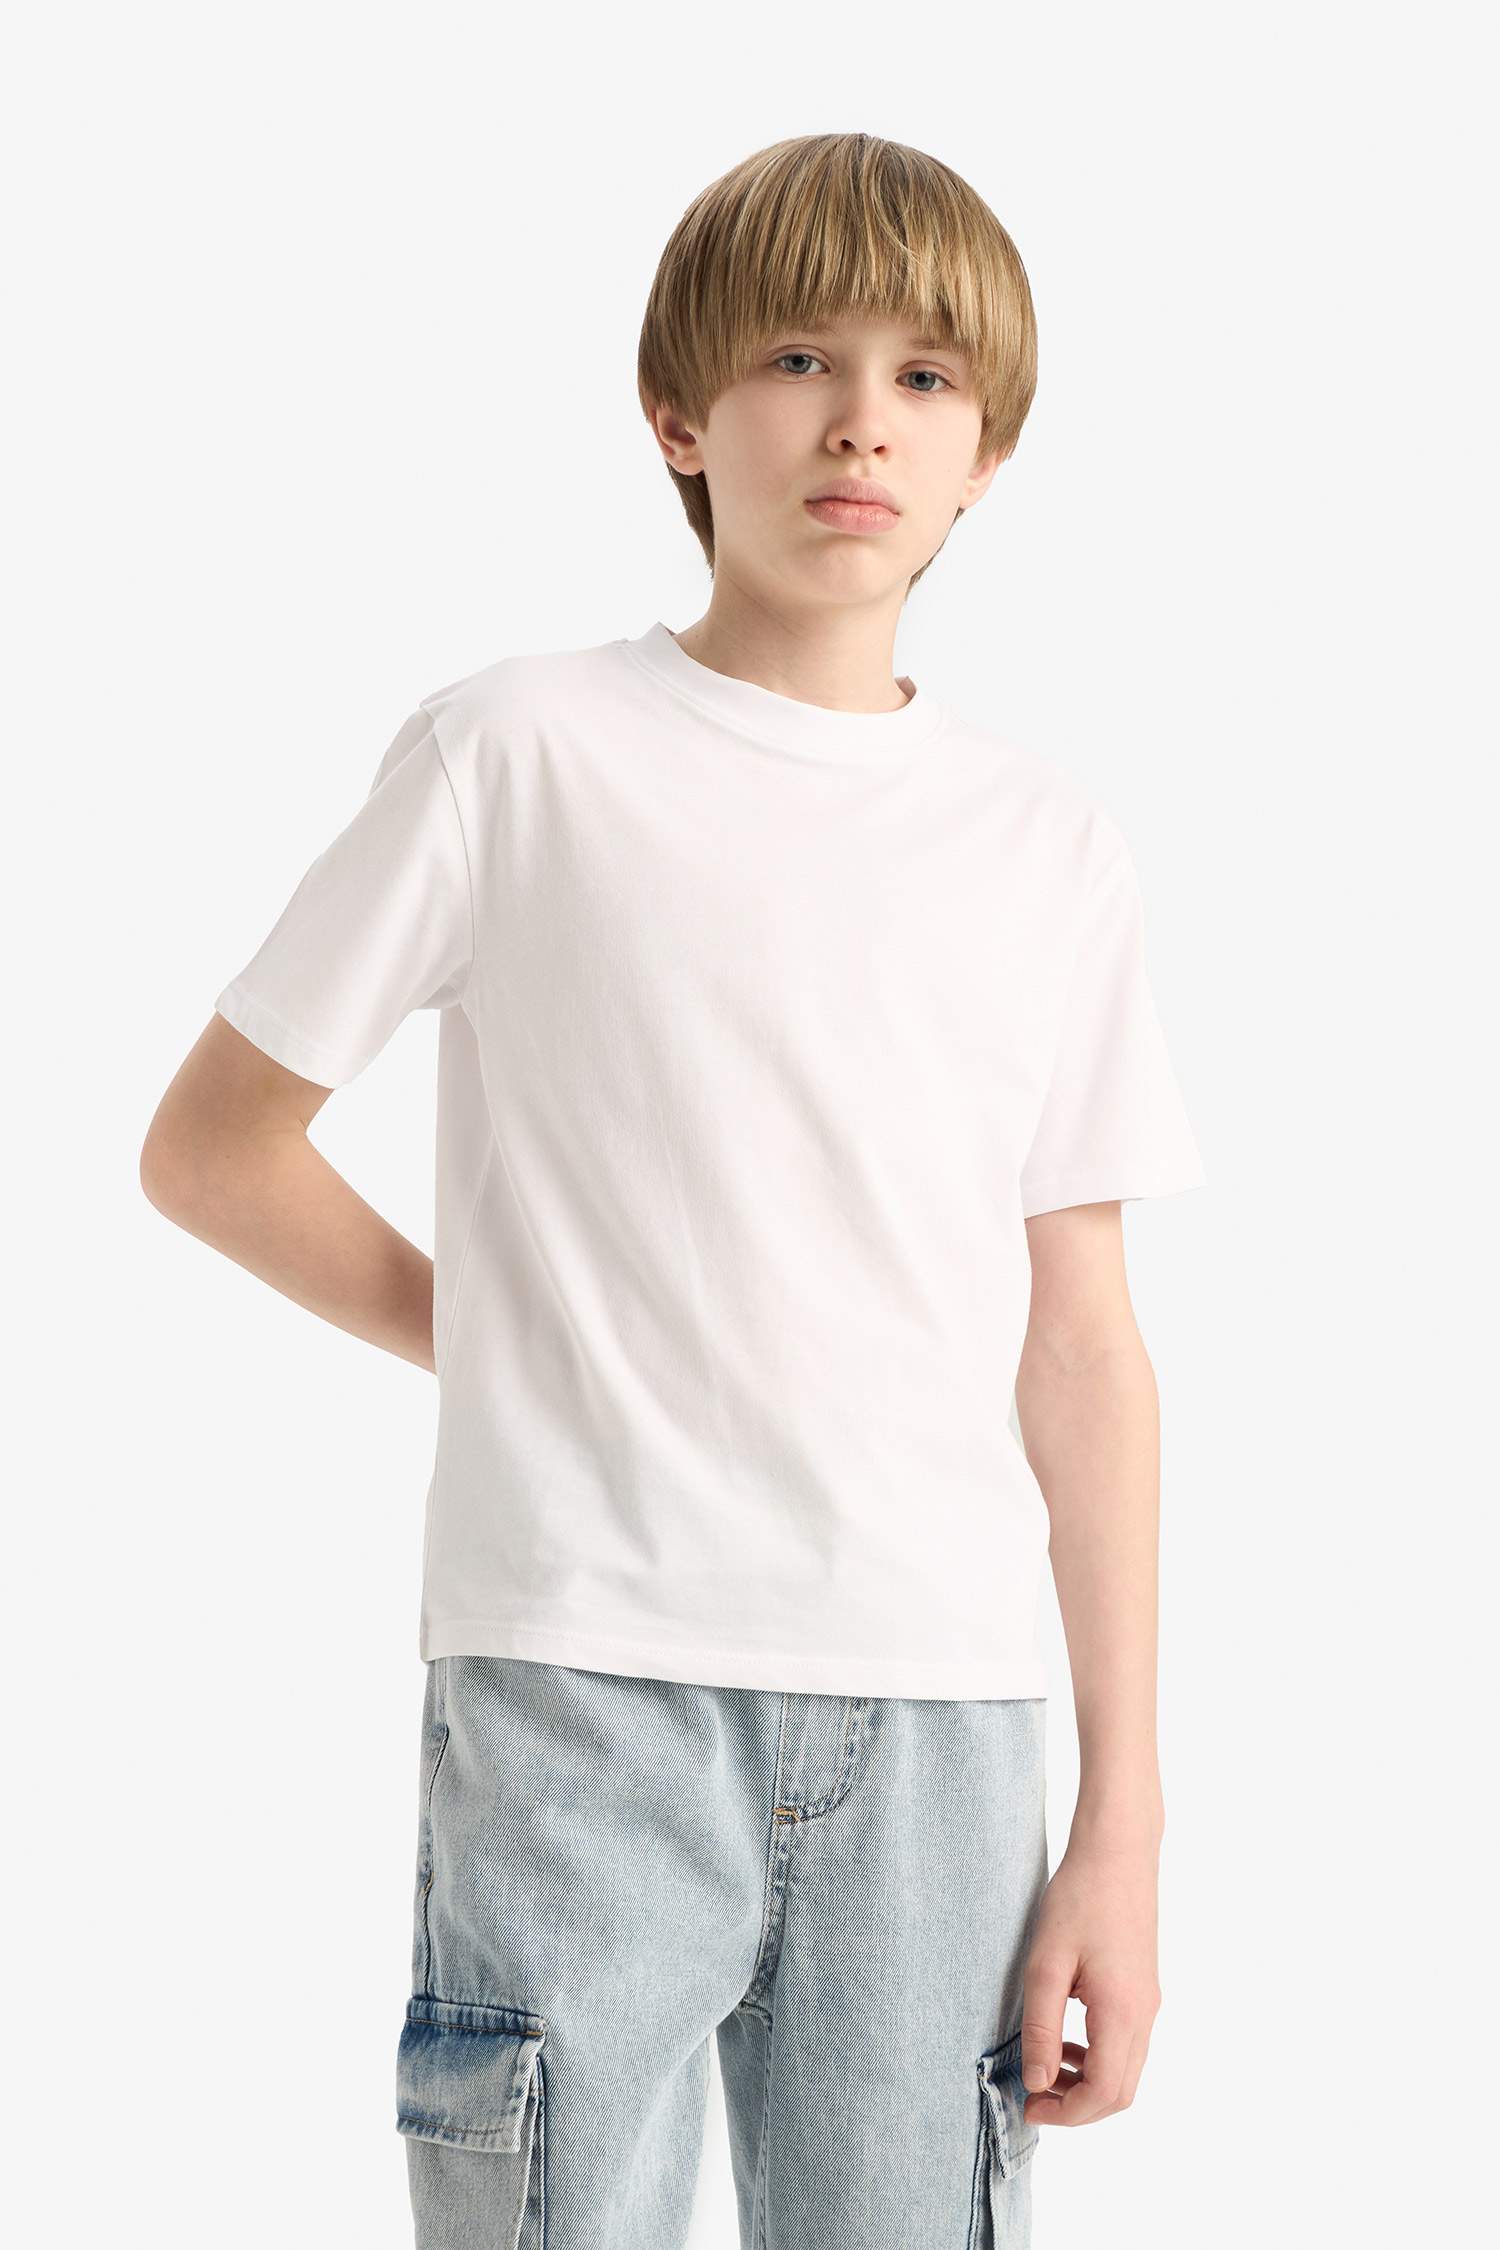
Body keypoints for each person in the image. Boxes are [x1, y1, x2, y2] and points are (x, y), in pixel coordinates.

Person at [140, 130, 1207, 2250]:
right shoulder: (517, 753)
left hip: (943, 1724)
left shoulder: (1043, 845)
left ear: (988, 455)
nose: (860, 422)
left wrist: (1126, 1823)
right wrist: (505, 1336)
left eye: (924, 377)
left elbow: (1082, 1346)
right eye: (800, 358)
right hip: (580, 1690)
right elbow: (215, 1146)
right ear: (677, 414)